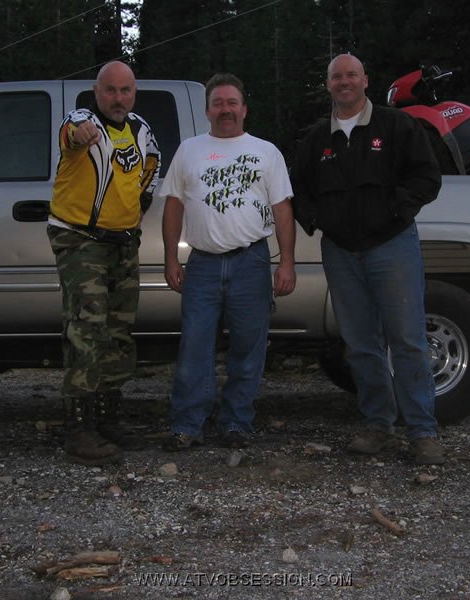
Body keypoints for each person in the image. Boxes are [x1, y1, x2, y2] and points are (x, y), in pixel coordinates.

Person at [291, 54, 445, 465]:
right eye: (336, 76)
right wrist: (316, 219)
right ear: (328, 85)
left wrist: (398, 208)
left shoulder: (396, 126)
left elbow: (428, 177)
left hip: (391, 246)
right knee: (360, 344)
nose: (344, 82)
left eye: (351, 75)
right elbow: (298, 188)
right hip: (340, 251)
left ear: (365, 80)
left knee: (408, 340)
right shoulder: (315, 139)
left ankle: (422, 431)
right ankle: (378, 424)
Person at [160, 73, 296, 451]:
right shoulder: (189, 150)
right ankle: (188, 423)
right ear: (207, 111)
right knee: (195, 348)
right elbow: (173, 206)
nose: (225, 109)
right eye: (218, 103)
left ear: (244, 109)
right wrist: (172, 258)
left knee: (248, 348)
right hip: (202, 264)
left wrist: (287, 262)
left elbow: (282, 209)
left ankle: (237, 421)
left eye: (231, 102)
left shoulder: (266, 152)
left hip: (251, 262)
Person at [47, 61, 160, 465]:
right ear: (96, 92)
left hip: (123, 243)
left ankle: (109, 419)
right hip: (81, 240)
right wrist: (80, 133)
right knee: (87, 327)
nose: (118, 98)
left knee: (119, 331)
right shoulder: (83, 123)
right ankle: (79, 429)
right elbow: (72, 134)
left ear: (134, 93)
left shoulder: (141, 132)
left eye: (125, 90)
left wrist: (132, 216)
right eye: (110, 90)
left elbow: (148, 176)